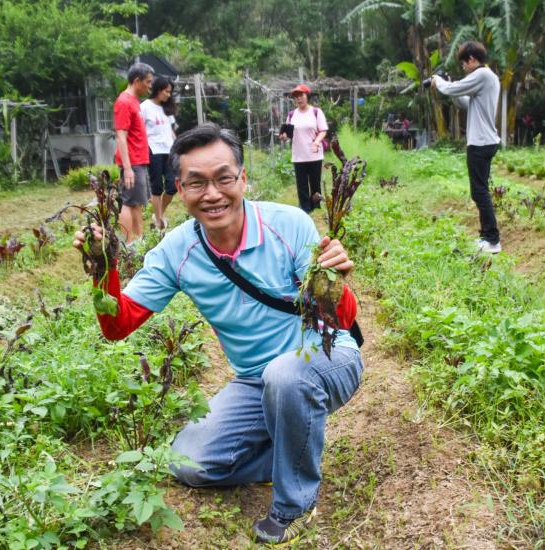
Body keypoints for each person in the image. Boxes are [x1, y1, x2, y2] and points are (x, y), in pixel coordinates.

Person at [73, 124, 363, 546]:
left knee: (287, 375)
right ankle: (289, 451)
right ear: (179, 188)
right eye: (196, 182)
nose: (212, 194)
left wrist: (336, 281)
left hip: (327, 356)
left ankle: (295, 505)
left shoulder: (289, 225)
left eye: (224, 178)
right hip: (254, 381)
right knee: (189, 464)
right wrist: (104, 267)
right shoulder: (177, 250)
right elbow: (118, 325)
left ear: (243, 179)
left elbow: (338, 320)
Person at [432, 41, 502, 254]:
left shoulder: (482, 75)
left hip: (480, 142)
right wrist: (451, 87)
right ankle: (486, 237)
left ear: (472, 59)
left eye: (463, 63)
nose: (463, 67)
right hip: (484, 141)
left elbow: (451, 89)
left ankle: (492, 240)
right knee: (479, 191)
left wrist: (439, 81)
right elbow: (463, 102)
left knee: (479, 191)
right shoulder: (487, 78)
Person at [114, 62, 154, 245]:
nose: (149, 86)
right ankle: (128, 244)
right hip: (132, 163)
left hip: (139, 161)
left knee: (137, 202)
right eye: (148, 81)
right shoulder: (123, 102)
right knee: (128, 203)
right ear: (137, 81)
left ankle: (139, 240)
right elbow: (121, 136)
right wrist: (128, 168)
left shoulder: (134, 102)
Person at [279, 84, 329, 213]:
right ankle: (305, 208)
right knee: (301, 185)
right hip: (298, 155)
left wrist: (317, 142)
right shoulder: (291, 115)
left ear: (307, 96)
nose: (298, 99)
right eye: (296, 97)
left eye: (301, 95)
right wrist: (284, 137)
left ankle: (315, 206)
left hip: (314, 154)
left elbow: (323, 130)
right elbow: (288, 135)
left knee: (315, 182)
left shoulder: (316, 112)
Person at [140, 75, 177, 231]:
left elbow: (172, 131)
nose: (168, 95)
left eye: (170, 92)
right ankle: (159, 221)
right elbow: (139, 131)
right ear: (158, 89)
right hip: (153, 150)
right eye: (166, 91)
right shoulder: (145, 107)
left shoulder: (167, 108)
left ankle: (159, 213)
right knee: (157, 188)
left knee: (172, 186)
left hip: (169, 151)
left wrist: (177, 148)